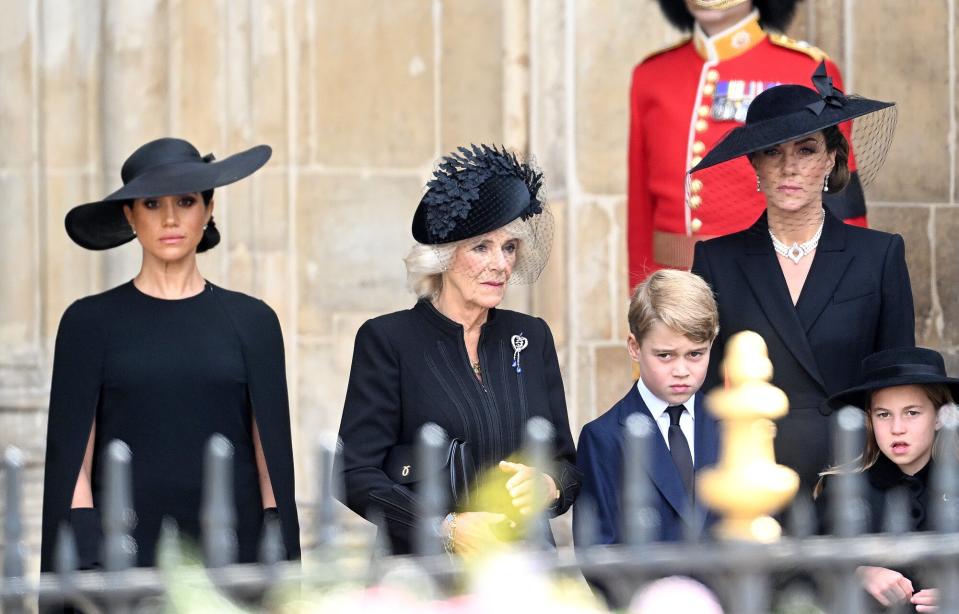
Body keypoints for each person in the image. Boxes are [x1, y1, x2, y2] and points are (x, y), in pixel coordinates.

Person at [40, 138, 300, 573]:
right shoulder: (88, 323)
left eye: (186, 200)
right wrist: (88, 560)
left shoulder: (253, 321)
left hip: (233, 553)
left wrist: (277, 562)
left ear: (209, 210)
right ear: (130, 216)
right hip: (122, 556)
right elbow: (72, 462)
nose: (171, 218)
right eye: (152, 204)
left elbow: (269, 455)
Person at [336, 144, 580, 556]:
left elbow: (566, 462)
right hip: (426, 572)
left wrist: (551, 484)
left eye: (509, 247)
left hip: (522, 569)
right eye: (481, 247)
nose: (501, 264)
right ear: (444, 257)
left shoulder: (531, 336)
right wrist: (442, 528)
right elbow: (354, 473)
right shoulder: (388, 340)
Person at [689, 64, 913, 493]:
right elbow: (704, 390)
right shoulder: (716, 261)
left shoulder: (879, 256)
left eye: (806, 150)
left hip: (854, 479)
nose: (789, 167)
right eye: (773, 151)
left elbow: (897, 388)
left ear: (831, 158)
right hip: (754, 481)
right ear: (754, 162)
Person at [627, 0, 867, 285]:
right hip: (672, 292)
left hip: (768, 285)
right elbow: (641, 209)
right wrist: (640, 299)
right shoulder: (651, 75)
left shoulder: (804, 70)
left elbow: (840, 200)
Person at [574, 270, 720, 545]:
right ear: (634, 347)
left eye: (695, 354)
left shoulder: (730, 423)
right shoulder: (602, 438)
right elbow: (598, 551)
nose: (681, 370)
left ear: (711, 344)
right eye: (665, 355)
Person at [816, 347, 957, 612]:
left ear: (940, 417)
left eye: (912, 412)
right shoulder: (843, 489)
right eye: (884, 414)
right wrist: (859, 572)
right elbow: (801, 568)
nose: (897, 428)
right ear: (869, 418)